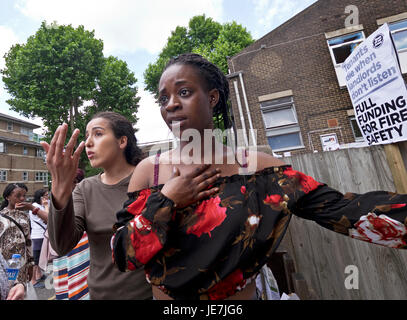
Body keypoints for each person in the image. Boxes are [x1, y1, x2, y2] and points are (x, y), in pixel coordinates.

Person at [108, 53, 407, 300]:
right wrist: (168, 199)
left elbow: (345, 211)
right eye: (163, 99)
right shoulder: (152, 171)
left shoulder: (261, 171)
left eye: (184, 92)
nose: (171, 104)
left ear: (212, 98)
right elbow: (124, 255)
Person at [41, 111, 152, 300]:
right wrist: (59, 189)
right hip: (100, 295)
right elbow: (61, 245)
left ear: (122, 141)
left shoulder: (150, 180)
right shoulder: (85, 188)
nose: (88, 143)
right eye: (86, 136)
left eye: (98, 134)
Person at [0, 183, 43, 300]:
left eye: (24, 196)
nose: (22, 199)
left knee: (21, 293)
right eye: (18, 195)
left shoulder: (24, 217)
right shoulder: (1, 216)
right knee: (6, 292)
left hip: (22, 263)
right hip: (5, 264)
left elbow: (28, 242)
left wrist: (30, 264)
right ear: (7, 197)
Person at [53, 168, 90, 300]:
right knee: (65, 288)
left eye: (73, 181)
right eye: (65, 181)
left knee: (82, 287)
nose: (68, 184)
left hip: (83, 252)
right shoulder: (58, 200)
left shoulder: (87, 198)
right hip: (64, 252)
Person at [29, 188, 49, 288]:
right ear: (40, 197)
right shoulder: (35, 206)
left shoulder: (40, 205)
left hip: (42, 234)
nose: (47, 197)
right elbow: (48, 216)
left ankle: (39, 275)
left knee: (41, 256)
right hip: (38, 236)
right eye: (45, 195)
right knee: (36, 259)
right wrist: (46, 206)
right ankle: (33, 280)